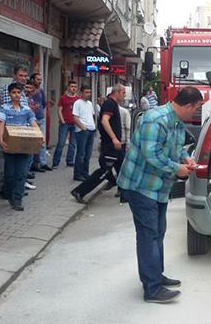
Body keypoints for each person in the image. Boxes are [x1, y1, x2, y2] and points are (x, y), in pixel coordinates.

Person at [117, 86, 203, 304]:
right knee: (149, 235)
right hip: (140, 186)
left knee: (158, 232)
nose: (195, 114)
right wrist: (177, 168)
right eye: (196, 109)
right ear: (187, 105)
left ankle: (156, 275)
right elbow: (152, 154)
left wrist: (186, 159)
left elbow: (177, 145)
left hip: (157, 188)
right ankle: (152, 289)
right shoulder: (156, 119)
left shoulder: (175, 120)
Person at [0, 83, 44, 211]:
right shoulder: (4, 108)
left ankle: (17, 199)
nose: (16, 95)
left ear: (21, 94)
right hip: (9, 146)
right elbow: (1, 124)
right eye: (13, 92)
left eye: (18, 92)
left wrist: (40, 136)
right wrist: (1, 139)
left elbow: (33, 123)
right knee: (9, 174)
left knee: (21, 174)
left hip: (24, 146)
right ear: (9, 94)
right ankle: (7, 192)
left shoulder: (26, 109)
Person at [52, 81, 79, 168]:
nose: (73, 88)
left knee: (73, 144)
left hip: (75, 123)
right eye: (72, 86)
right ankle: (55, 162)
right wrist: (62, 120)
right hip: (65, 123)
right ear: (68, 87)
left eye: (75, 87)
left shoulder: (78, 99)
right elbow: (59, 109)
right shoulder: (63, 98)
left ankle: (70, 161)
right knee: (61, 143)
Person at [72, 85, 96, 182]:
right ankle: (77, 174)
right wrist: (83, 128)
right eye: (86, 92)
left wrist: (94, 126)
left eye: (89, 92)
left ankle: (85, 173)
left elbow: (92, 115)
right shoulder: (77, 103)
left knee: (88, 154)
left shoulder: (90, 103)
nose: (88, 94)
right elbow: (75, 117)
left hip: (91, 130)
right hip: (82, 131)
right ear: (81, 93)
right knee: (81, 153)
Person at [29, 73, 51, 171]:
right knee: (32, 143)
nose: (40, 81)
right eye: (38, 79)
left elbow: (43, 104)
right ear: (32, 79)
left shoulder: (41, 91)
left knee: (42, 142)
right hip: (31, 120)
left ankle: (43, 163)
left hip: (40, 119)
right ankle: (32, 165)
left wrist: (42, 112)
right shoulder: (28, 91)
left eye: (40, 80)